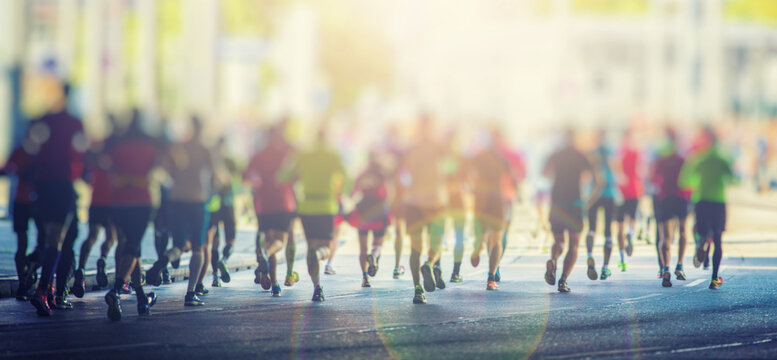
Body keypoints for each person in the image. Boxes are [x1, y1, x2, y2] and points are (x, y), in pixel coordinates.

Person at [26, 83, 88, 316]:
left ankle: (46, 286)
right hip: (63, 183)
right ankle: (43, 290)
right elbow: (82, 150)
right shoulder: (75, 122)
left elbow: (31, 145)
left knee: (49, 235)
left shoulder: (44, 119)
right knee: (58, 238)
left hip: (42, 184)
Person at [146, 116, 220, 306]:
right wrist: (210, 193)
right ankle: (191, 292)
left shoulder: (179, 148)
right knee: (198, 247)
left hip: (177, 200)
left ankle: (162, 262)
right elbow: (215, 177)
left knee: (179, 245)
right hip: (197, 200)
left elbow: (166, 171)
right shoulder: (205, 149)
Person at [103, 111, 161, 320]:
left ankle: (141, 298)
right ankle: (116, 290)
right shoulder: (150, 144)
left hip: (119, 199)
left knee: (130, 247)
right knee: (133, 245)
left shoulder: (118, 145)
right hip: (141, 199)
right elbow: (158, 168)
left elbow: (105, 165)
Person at [278, 125, 347, 302]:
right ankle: (319, 256)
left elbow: (284, 177)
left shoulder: (304, 155)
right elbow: (347, 179)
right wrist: (343, 194)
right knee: (325, 245)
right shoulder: (333, 156)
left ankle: (317, 287)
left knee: (311, 246)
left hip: (306, 206)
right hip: (326, 205)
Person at [244, 123, 300, 297]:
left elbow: (246, 175)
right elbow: (297, 174)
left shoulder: (258, 155)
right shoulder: (287, 154)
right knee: (279, 242)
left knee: (269, 240)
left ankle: (275, 284)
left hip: (263, 204)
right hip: (283, 203)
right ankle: (265, 255)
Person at [543, 128, 599, 292]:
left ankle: (553, 259)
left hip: (557, 204)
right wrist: (588, 201)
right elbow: (597, 180)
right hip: (575, 204)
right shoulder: (581, 156)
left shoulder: (555, 155)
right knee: (574, 245)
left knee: (558, 241)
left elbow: (545, 173)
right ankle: (563, 280)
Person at [399, 115, 448, 304]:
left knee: (414, 249)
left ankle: (418, 289)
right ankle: (429, 263)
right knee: (437, 241)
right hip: (435, 200)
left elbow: (404, 173)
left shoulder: (411, 148)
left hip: (413, 201)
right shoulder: (439, 147)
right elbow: (450, 169)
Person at [72, 115, 122, 298]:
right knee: (111, 237)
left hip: (97, 199)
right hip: (113, 201)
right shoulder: (117, 149)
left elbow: (86, 170)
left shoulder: (96, 148)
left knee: (91, 236)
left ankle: (81, 269)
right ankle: (102, 259)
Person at [680, 127, 734, 290]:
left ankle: (701, 239)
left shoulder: (698, 158)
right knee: (718, 239)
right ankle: (714, 278)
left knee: (699, 228)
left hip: (702, 200)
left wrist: (697, 184)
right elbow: (733, 179)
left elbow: (684, 182)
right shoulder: (722, 159)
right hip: (718, 201)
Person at [468, 128, 515, 291]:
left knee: (481, 233)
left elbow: (468, 175)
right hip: (497, 201)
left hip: (480, 200)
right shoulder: (501, 159)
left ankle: (477, 248)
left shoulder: (478, 158)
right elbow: (511, 179)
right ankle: (491, 278)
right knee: (497, 237)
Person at [1, 145, 44, 300]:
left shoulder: (33, 151)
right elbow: (7, 169)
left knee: (36, 243)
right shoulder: (24, 151)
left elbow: (7, 170)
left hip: (30, 201)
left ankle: (26, 277)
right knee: (28, 243)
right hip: (33, 201)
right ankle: (23, 282)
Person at [652, 128, 691, 287]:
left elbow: (654, 178)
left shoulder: (661, 159)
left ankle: (666, 268)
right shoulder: (682, 159)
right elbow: (689, 180)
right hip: (681, 198)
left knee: (665, 236)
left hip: (665, 198)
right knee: (682, 231)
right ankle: (680, 265)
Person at [347, 150, 391, 288]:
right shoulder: (382, 174)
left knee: (362, 247)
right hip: (379, 211)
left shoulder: (362, 175)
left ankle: (365, 278)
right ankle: (374, 255)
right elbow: (387, 193)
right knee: (378, 243)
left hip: (363, 212)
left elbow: (352, 192)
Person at [203, 136, 238, 288]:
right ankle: (223, 261)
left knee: (214, 242)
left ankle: (215, 277)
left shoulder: (210, 161)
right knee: (230, 239)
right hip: (228, 203)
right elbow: (238, 180)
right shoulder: (230, 160)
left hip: (213, 204)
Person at [585, 129, 619, 281]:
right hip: (610, 194)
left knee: (591, 228)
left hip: (594, 193)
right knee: (608, 231)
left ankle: (590, 255)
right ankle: (605, 267)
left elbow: (593, 177)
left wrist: (588, 198)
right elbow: (615, 172)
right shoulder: (611, 153)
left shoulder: (592, 154)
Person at [442, 131, 469, 284]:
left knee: (438, 234)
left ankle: (436, 267)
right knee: (459, 236)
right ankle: (455, 272)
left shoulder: (442, 159)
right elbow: (468, 182)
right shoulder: (462, 159)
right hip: (458, 200)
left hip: (443, 199)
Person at [615, 128, 643, 272]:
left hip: (620, 190)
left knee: (619, 224)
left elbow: (616, 170)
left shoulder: (618, 153)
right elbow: (640, 170)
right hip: (635, 188)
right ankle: (631, 234)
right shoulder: (636, 152)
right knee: (632, 218)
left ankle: (622, 259)